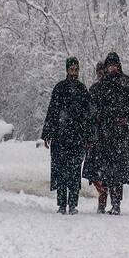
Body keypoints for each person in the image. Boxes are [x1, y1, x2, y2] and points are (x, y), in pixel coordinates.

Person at [91, 51, 129, 215]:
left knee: (118, 171)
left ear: (118, 66)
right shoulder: (102, 84)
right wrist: (98, 117)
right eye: (110, 65)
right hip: (105, 133)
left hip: (120, 134)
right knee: (105, 170)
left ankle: (116, 203)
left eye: (114, 65)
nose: (112, 68)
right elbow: (93, 104)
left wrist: (127, 118)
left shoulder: (126, 83)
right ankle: (104, 201)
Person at [42, 56, 91, 214]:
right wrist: (48, 133)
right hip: (61, 136)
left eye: (76, 69)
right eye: (71, 69)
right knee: (61, 171)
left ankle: (73, 204)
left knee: (75, 171)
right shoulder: (59, 88)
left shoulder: (83, 90)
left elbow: (87, 115)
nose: (74, 72)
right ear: (67, 70)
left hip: (76, 138)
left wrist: (88, 136)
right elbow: (52, 111)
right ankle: (62, 204)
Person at [84, 61, 109, 213]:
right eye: (99, 71)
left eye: (102, 70)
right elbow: (88, 111)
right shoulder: (93, 89)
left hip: (107, 136)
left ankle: (103, 201)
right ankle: (102, 193)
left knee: (104, 170)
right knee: (92, 170)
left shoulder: (111, 89)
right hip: (95, 135)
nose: (101, 73)